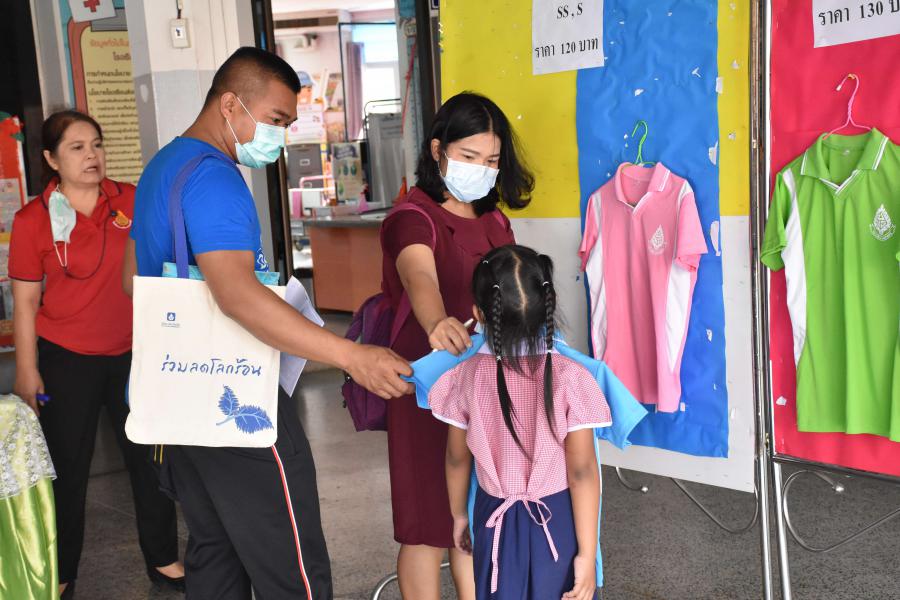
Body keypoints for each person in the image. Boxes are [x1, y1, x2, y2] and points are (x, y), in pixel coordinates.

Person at [124, 47, 412, 600]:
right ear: (231, 105)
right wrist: (351, 356)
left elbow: (132, 282)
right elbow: (236, 295)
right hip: (235, 396)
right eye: (276, 120)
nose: (280, 136)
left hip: (177, 398)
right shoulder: (216, 180)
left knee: (215, 552)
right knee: (292, 568)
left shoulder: (162, 167)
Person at [9, 110, 184, 599]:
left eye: (97, 145)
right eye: (77, 148)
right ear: (51, 159)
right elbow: (25, 302)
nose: (92, 156)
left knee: (150, 462)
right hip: (67, 359)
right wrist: (26, 369)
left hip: (135, 354)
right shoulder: (32, 220)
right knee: (68, 470)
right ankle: (61, 570)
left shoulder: (129, 199)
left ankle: (164, 559)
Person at [379, 92, 534, 599]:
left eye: (491, 160)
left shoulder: (494, 220)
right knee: (427, 525)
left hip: (485, 387)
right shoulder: (413, 215)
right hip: (427, 386)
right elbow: (418, 274)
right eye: (469, 157)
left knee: (476, 512)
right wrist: (436, 320)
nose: (481, 169)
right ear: (437, 149)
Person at [431, 245, 608, 599]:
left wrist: (459, 516)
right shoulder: (572, 378)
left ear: (479, 314)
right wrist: (587, 555)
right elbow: (582, 472)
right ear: (548, 305)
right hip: (556, 518)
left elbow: (456, 458)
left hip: (492, 517)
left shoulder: (465, 377)